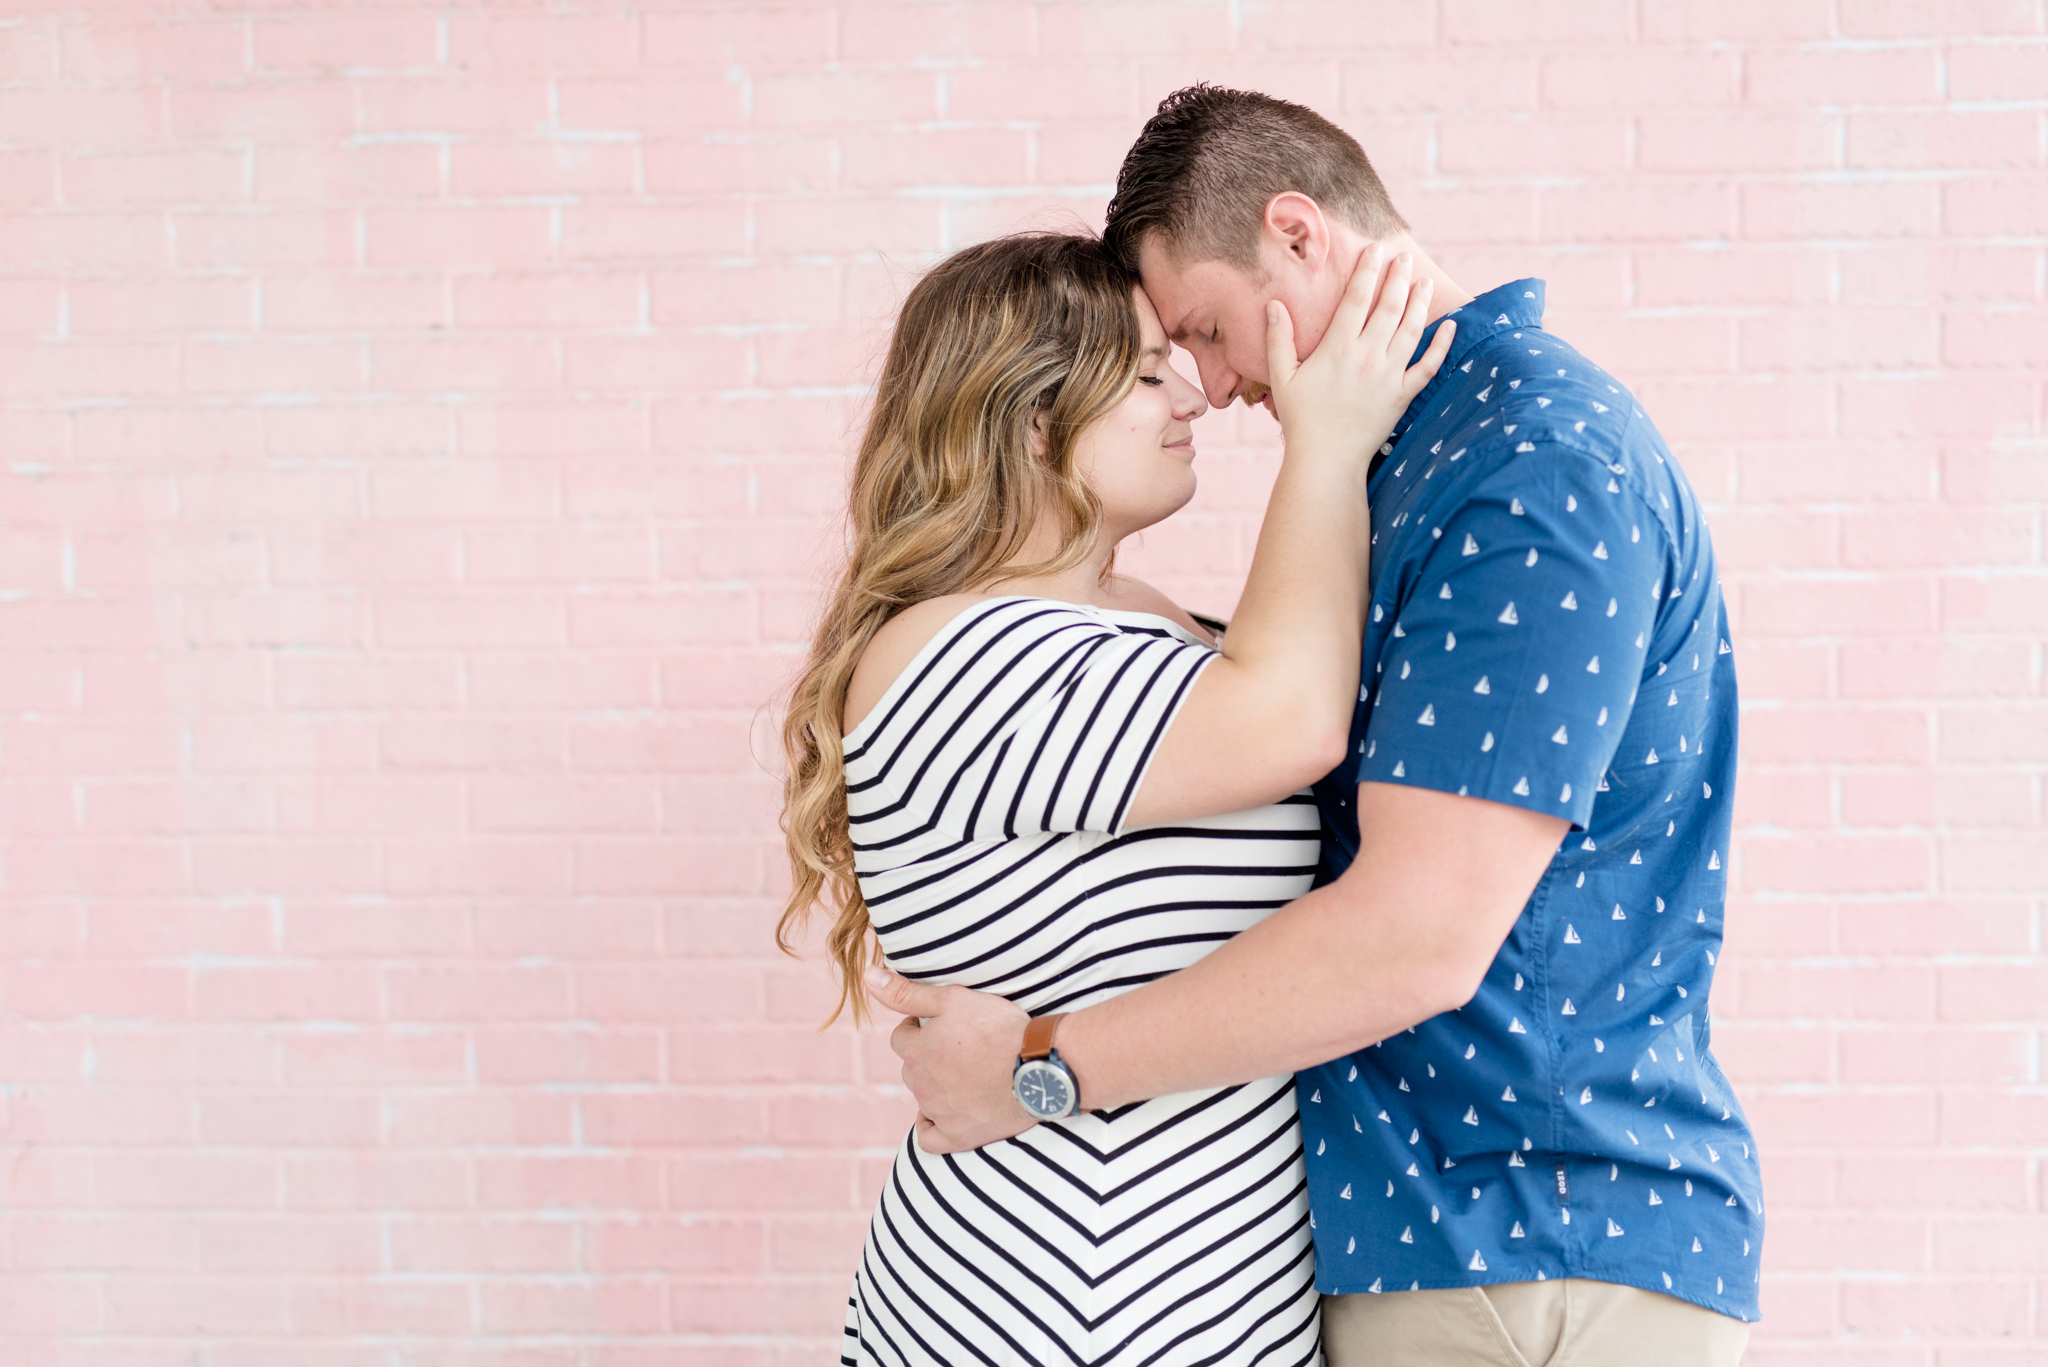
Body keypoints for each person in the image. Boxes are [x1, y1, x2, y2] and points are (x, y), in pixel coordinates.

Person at [869, 87, 1764, 1367]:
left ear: (1295, 234)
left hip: (1522, 1236)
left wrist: (1034, 1066)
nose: (1214, 388)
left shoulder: (1529, 463)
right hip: (1418, 1242)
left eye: (1205, 332)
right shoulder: (1393, 475)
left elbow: (1414, 936)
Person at [778, 231, 1451, 1364]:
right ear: (1031, 420)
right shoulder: (950, 650)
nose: (1189, 390)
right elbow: (1291, 721)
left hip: (1194, 1288)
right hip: (1052, 1296)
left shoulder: (1139, 617)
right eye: (1144, 372)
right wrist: (1325, 449)